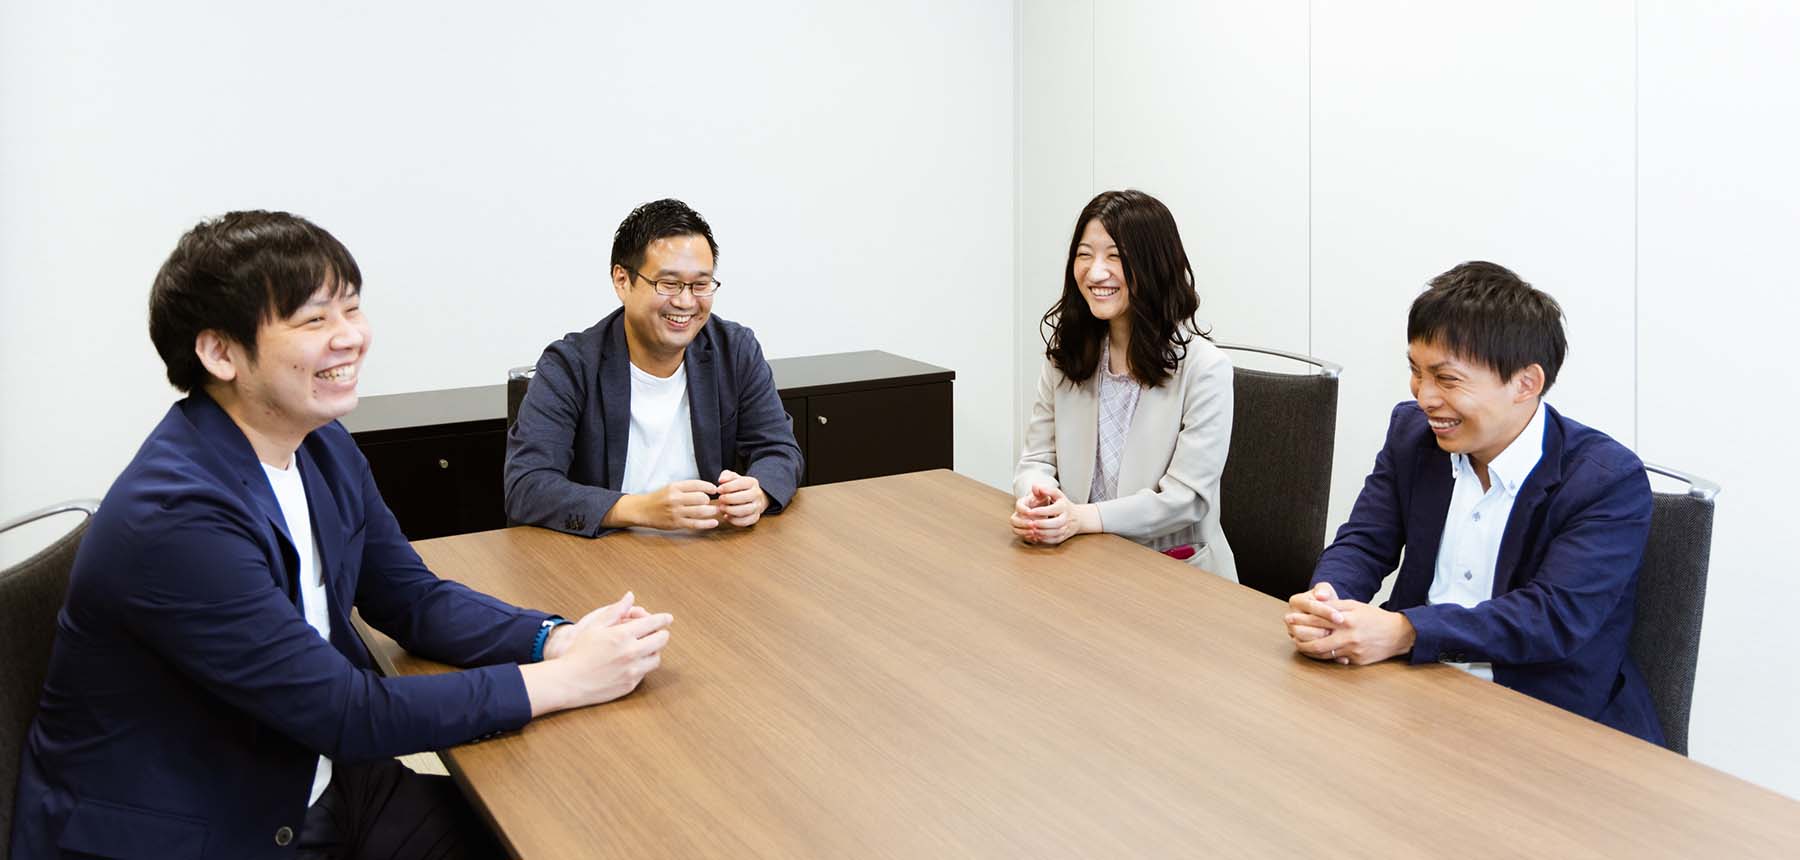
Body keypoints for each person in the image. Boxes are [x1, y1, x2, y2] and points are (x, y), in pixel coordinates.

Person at [11, 211, 675, 859]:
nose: (351, 337)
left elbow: (409, 598)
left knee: (558, 833)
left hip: (324, 783)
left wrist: (556, 640)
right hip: (210, 824)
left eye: (351, 309)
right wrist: (567, 681)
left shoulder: (319, 444)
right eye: (314, 319)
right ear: (219, 352)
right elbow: (346, 712)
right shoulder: (178, 517)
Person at [1283, 261, 1661, 744]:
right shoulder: (1412, 436)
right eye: (1416, 372)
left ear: (1526, 383)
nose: (1424, 396)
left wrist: (1406, 631)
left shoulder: (1606, 481)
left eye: (1447, 379)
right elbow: (1364, 541)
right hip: (1410, 692)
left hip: (1540, 720)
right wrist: (1328, 602)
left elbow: (1550, 617)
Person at [505, 199, 803, 536]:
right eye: (669, 284)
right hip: (605, 554)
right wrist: (638, 509)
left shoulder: (734, 350)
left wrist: (759, 492)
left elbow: (779, 449)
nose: (686, 302)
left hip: (709, 550)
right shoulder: (571, 366)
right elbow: (527, 485)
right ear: (622, 280)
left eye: (700, 284)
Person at [1011, 189, 1237, 581]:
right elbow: (1036, 462)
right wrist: (1039, 501)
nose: (1096, 272)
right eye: (1085, 255)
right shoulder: (1067, 358)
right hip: (1082, 562)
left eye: (1114, 256)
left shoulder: (1206, 369)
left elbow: (1185, 500)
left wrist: (1081, 518)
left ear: (1154, 265)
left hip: (1173, 577)